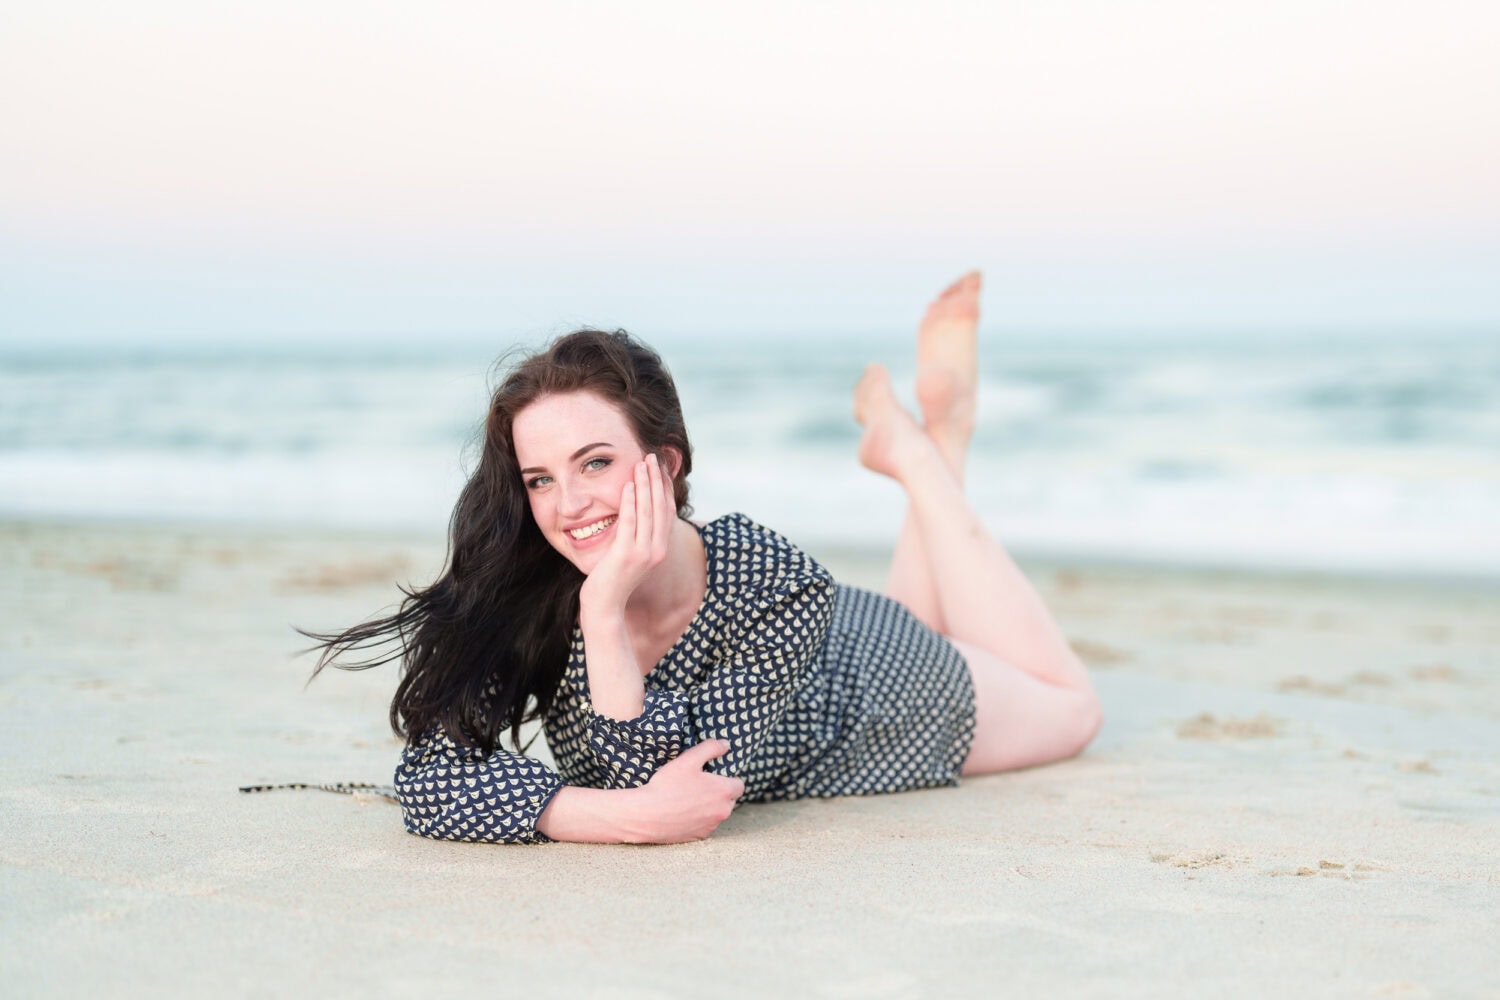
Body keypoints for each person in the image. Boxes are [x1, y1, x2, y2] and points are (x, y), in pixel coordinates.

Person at [308, 272, 1101, 844]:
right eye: (541, 479)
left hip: (883, 696)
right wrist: (604, 816)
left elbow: (671, 781)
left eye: (595, 464)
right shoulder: (534, 590)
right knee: (929, 611)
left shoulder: (775, 578)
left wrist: (603, 614)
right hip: (820, 651)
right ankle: (941, 429)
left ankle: (920, 454)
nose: (569, 505)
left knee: (1076, 709)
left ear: (668, 463)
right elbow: (432, 779)